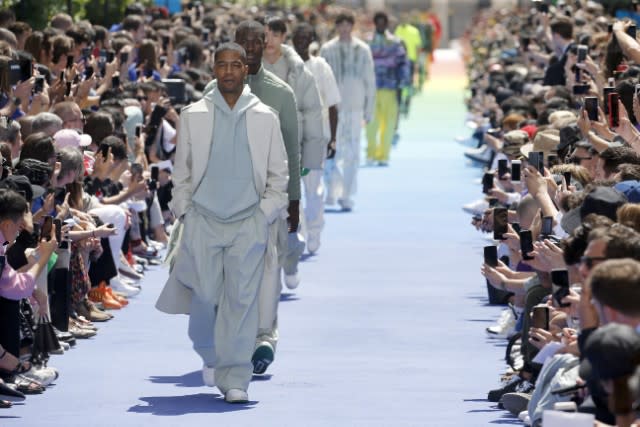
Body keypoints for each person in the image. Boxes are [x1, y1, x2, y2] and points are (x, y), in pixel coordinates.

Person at [155, 42, 288, 404]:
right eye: (222, 65)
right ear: (214, 69)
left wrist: (264, 215)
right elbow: (181, 174)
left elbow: (279, 176)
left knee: (241, 301)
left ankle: (235, 378)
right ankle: (211, 354)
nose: (228, 71)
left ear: (246, 70)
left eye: (235, 65)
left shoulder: (265, 116)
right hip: (203, 222)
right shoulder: (194, 114)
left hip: (248, 223)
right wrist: (185, 211)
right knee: (208, 297)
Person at [203, 20, 299, 376]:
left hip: (267, 204)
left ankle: (264, 339)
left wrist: (294, 202)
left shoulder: (282, 93)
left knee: (266, 274)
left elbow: (291, 155)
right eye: (243, 43)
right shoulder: (211, 94)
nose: (251, 48)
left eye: (256, 42)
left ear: (265, 44)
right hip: (223, 204)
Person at [320, 12, 376, 211]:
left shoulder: (362, 50)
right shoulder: (327, 49)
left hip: (354, 107)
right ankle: (331, 190)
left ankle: (347, 194)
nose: (344, 29)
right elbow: (320, 80)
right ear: (337, 27)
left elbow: (370, 80)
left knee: (352, 152)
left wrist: (369, 109)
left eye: (347, 25)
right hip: (332, 108)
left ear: (352, 26)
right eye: (340, 25)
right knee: (331, 150)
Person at [292, 23, 341, 254]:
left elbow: (332, 104)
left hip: (315, 138)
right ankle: (298, 231)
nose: (301, 41)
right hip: (291, 139)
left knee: (313, 188)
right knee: (293, 191)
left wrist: (333, 139)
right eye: (297, 37)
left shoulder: (321, 66)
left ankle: (314, 230)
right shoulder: (284, 67)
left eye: (305, 37)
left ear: (311, 39)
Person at [366, 11, 411, 167]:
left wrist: (404, 81)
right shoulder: (367, 43)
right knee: (371, 123)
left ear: (386, 24)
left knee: (389, 123)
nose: (380, 24)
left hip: (390, 87)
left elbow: (403, 63)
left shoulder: (395, 42)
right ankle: (371, 153)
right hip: (371, 87)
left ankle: (383, 155)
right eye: (377, 22)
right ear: (374, 23)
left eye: (382, 22)